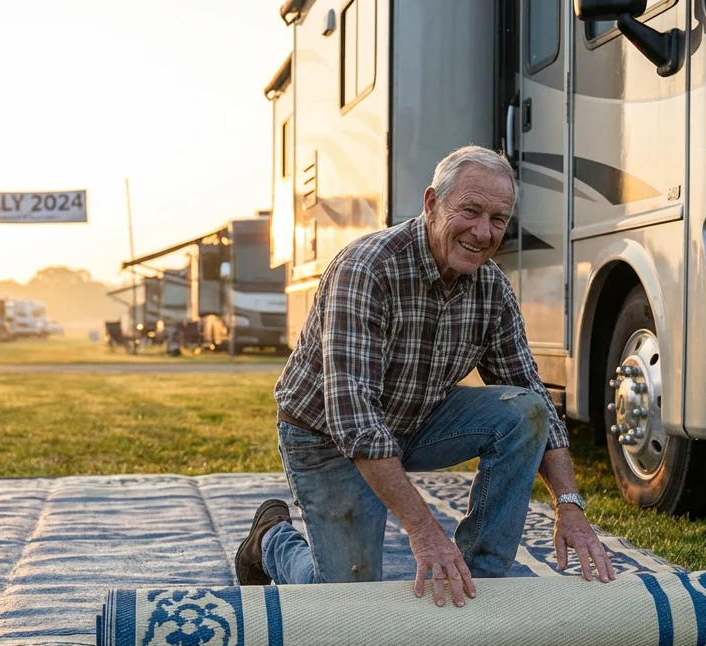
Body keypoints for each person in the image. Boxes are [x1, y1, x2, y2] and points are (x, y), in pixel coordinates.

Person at [234, 145, 615, 607]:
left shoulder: (491, 287)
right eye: (470, 211)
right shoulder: (367, 269)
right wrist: (424, 530)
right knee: (345, 600)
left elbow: (532, 394)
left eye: (498, 218)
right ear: (432, 204)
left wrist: (569, 506)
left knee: (525, 412)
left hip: (415, 418)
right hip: (325, 437)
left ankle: (479, 582)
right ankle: (272, 538)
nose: (483, 232)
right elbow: (354, 420)